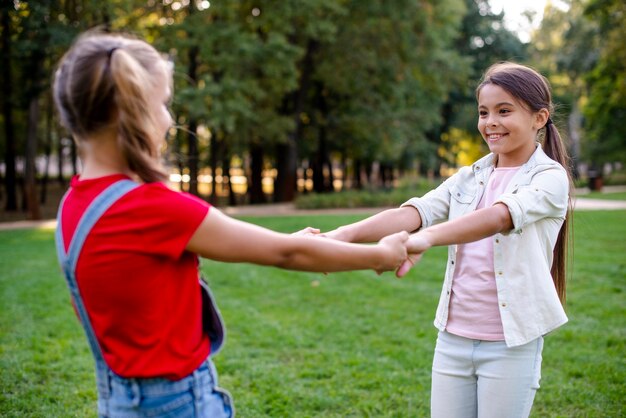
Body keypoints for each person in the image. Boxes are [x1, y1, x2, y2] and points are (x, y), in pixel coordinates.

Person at [52, 31, 412, 418]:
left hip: (119, 401)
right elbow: (286, 253)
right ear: (133, 113)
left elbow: (218, 244)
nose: (169, 119)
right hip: (177, 403)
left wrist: (279, 239)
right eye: (163, 104)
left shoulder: (75, 206)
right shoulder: (152, 208)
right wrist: (379, 253)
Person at [310, 62, 573, 417]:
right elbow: (415, 212)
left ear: (539, 118)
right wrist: (339, 236)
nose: (490, 122)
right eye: (483, 112)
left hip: (510, 343)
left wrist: (422, 241)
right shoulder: (471, 175)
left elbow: (498, 217)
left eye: (504, 111)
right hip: (452, 338)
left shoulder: (550, 177)